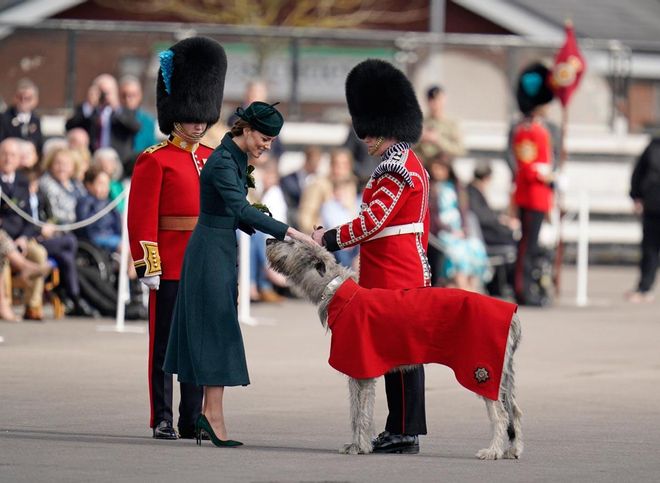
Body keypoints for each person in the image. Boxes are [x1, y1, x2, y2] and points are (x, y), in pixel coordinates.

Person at [164, 101, 313, 448]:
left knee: (217, 331)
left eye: (272, 141)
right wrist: (291, 232)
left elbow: (238, 213)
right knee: (217, 331)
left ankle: (209, 414)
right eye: (264, 138)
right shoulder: (221, 162)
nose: (267, 145)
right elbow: (240, 208)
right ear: (245, 130)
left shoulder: (233, 157)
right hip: (209, 254)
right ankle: (211, 417)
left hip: (218, 249)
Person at [312, 59, 431, 454]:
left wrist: (326, 238)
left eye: (368, 131)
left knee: (402, 355)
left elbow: (371, 223)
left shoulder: (396, 169)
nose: (364, 139)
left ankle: (403, 430)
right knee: (400, 353)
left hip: (396, 271)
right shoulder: (404, 163)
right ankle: (401, 428)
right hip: (397, 268)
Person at [127, 37, 227, 441]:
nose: (198, 123)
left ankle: (191, 418)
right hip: (168, 264)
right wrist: (148, 264)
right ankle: (163, 417)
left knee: (196, 347)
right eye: (191, 116)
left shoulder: (210, 157)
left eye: (202, 116)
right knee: (165, 347)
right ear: (175, 114)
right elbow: (141, 216)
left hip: (202, 265)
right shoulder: (154, 159)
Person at [510, 62, 556, 306]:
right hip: (531, 195)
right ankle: (522, 289)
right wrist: (546, 176)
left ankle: (530, 287)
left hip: (539, 196)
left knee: (532, 245)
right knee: (526, 246)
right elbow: (526, 167)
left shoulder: (539, 130)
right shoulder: (526, 131)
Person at [0, 138, 49, 320]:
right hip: (3, 236)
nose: (7, 158)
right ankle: (7, 305)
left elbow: (30, 218)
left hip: (21, 237)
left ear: (18, 159)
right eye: (4, 154)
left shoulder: (23, 181)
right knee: (2, 257)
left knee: (40, 254)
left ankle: (33, 305)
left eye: (12, 155)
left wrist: (23, 238)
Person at [427, 153, 489, 292]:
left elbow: (463, 212)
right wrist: (449, 229)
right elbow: (433, 218)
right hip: (441, 232)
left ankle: (471, 288)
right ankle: (464, 289)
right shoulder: (431, 188)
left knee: (475, 249)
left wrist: (464, 229)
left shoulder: (456, 187)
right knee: (458, 254)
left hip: (459, 230)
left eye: (441, 168)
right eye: (435, 168)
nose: (438, 172)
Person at [65, 74, 141, 172]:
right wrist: (89, 105)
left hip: (117, 162)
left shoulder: (123, 110)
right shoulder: (87, 110)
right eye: (101, 92)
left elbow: (135, 127)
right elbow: (69, 127)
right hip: (92, 160)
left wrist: (116, 107)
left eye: (107, 92)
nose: (104, 96)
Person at [627, 136, 660, 303]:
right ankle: (644, 288)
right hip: (653, 206)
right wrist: (636, 196)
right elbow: (639, 172)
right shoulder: (654, 146)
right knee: (650, 250)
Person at [416, 85, 465, 163]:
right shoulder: (420, 122)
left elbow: (460, 150)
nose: (435, 103)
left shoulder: (452, 123)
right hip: (423, 165)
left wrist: (438, 140)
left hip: (444, 168)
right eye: (432, 100)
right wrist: (420, 138)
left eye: (438, 99)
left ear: (444, 99)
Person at [0, 79, 43, 153]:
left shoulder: (36, 120)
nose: (23, 101)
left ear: (35, 100)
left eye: (28, 98)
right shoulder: (4, 118)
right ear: (14, 98)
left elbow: (39, 145)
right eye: (20, 97)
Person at [119, 76, 158, 156]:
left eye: (132, 95)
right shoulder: (115, 119)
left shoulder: (148, 122)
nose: (128, 99)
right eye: (124, 95)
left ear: (139, 96)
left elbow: (152, 147)